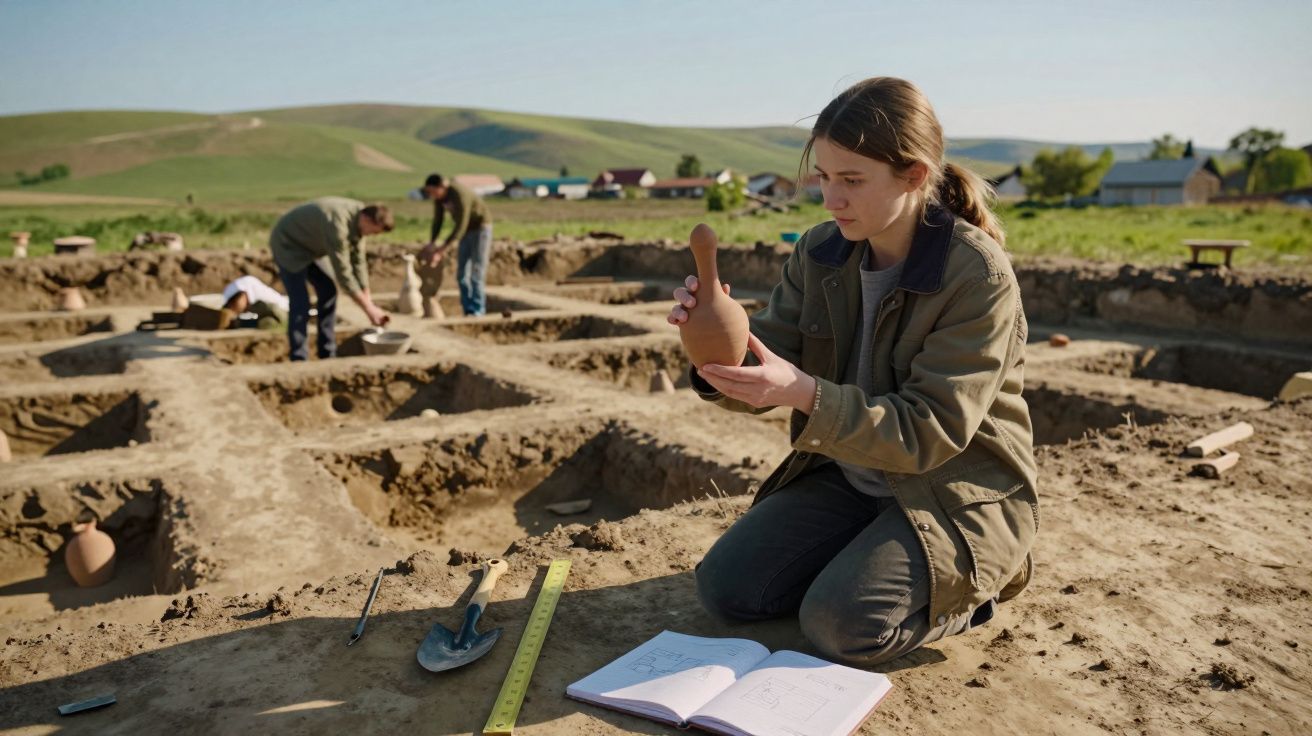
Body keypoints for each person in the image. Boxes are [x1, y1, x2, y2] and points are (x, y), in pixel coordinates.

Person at [668, 77, 1038, 667]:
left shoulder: (976, 276)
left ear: (915, 176)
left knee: (841, 627)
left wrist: (805, 393)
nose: (829, 199)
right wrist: (718, 348)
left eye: (852, 181)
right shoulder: (821, 252)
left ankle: (984, 578)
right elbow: (769, 362)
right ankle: (864, 558)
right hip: (847, 479)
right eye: (823, 177)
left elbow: (929, 433)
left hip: (951, 492)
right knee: (729, 592)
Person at [269, 197, 392, 361]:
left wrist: (369, 300)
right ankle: (299, 356)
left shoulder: (359, 218)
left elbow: (358, 261)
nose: (373, 236)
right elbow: (343, 272)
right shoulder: (338, 224)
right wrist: (369, 310)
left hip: (310, 248)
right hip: (288, 246)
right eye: (374, 231)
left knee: (328, 291)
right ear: (367, 219)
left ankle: (327, 352)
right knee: (301, 302)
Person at [417, 173, 493, 316]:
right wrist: (432, 243)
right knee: (461, 274)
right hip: (466, 232)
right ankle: (467, 309)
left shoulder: (459, 194)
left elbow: (461, 225)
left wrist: (442, 249)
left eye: (433, 192)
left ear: (441, 187)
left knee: (476, 272)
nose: (431, 195)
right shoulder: (439, 199)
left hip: (480, 228)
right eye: (429, 193)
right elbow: (438, 221)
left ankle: (478, 310)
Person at [221, 275, 290, 328]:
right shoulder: (252, 310)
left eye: (233, 302)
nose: (232, 308)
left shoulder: (269, 307)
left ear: (244, 295)